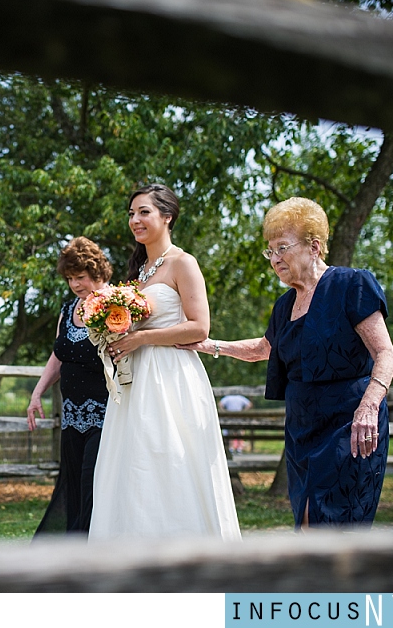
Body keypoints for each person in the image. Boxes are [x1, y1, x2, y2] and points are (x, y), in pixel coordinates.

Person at [182, 197, 393, 531]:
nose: (275, 258)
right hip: (302, 427)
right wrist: (211, 345)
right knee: (307, 518)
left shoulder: (351, 285)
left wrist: (369, 407)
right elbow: (263, 348)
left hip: (350, 423)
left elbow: (386, 354)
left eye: (282, 247)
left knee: (334, 521)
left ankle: (339, 582)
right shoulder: (284, 307)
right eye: (270, 251)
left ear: (314, 246)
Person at [88, 184, 241, 541]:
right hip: (136, 380)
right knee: (134, 465)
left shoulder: (182, 263)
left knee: (170, 460)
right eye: (131, 213)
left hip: (171, 377)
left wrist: (141, 338)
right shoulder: (138, 273)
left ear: (167, 216)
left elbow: (199, 327)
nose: (135, 220)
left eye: (144, 212)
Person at [27, 236, 113, 535]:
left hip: (107, 415)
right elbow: (58, 355)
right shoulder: (68, 308)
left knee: (92, 484)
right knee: (73, 485)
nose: (76, 284)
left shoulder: (116, 307)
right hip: (71, 415)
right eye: (70, 278)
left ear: (99, 273)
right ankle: (71, 552)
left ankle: (90, 553)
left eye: (82, 277)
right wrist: (37, 392)